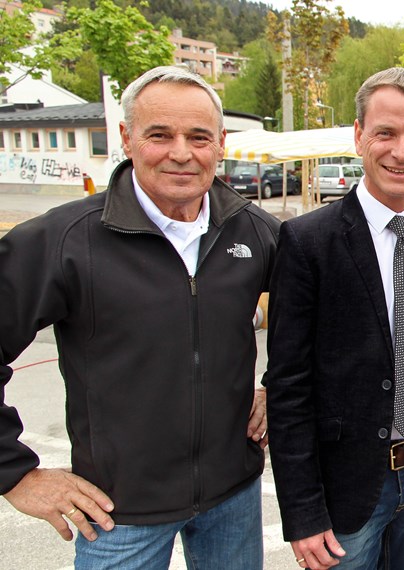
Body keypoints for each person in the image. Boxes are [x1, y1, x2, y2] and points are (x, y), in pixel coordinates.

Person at [0, 65, 279, 568]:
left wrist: (277, 385)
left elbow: (317, 323)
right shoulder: (64, 241)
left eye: (198, 137)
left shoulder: (255, 231)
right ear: (127, 139)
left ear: (220, 143)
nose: (180, 153)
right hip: (117, 511)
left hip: (234, 497)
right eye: (159, 135)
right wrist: (14, 473)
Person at [264, 67, 404, 570]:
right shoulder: (306, 242)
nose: (402, 152)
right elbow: (288, 385)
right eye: (386, 133)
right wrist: (301, 511)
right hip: (347, 485)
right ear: (359, 135)